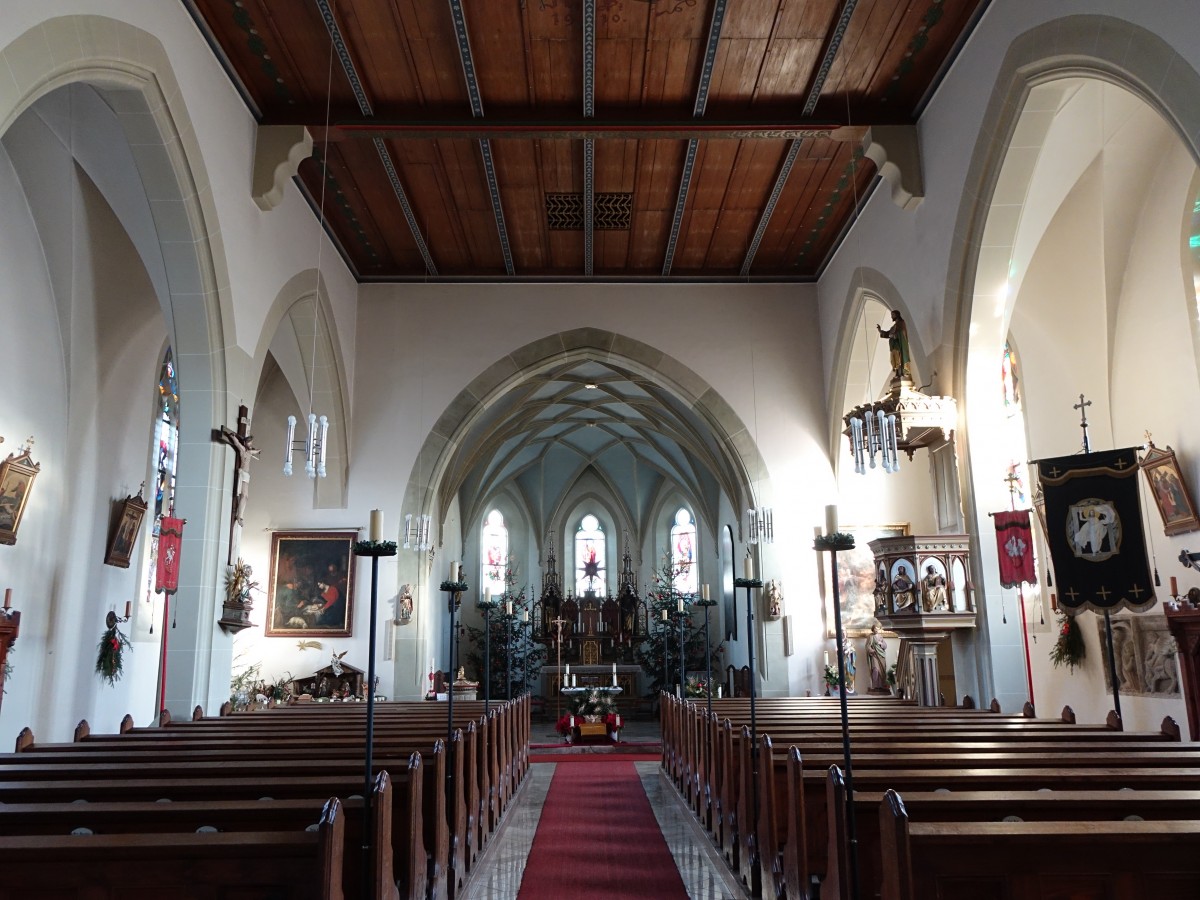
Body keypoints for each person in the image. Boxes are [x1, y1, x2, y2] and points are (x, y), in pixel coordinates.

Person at [876, 309, 912, 380]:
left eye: (892, 315)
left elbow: (902, 334)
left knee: (898, 359)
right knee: (894, 360)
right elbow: (888, 333)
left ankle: (901, 373)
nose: (891, 317)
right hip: (893, 347)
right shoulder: (895, 326)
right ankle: (898, 373)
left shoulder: (901, 323)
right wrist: (880, 331)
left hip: (898, 346)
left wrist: (894, 335)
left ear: (897, 315)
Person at [866, 621, 887, 693]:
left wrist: (881, 643)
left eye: (877, 628)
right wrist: (871, 650)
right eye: (875, 628)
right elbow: (867, 646)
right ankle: (875, 686)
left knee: (882, 670)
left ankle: (881, 685)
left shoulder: (881, 636)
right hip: (874, 655)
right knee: (875, 670)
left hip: (881, 655)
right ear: (873, 629)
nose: (876, 630)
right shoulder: (870, 636)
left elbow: (885, 646)